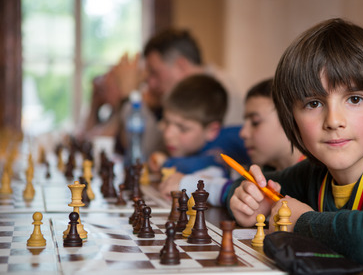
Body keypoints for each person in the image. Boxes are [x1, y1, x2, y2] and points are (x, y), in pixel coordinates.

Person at [227, 18, 363, 274]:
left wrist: (300, 222)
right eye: (313, 103)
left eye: (354, 99)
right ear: (292, 120)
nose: (333, 121)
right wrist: (250, 200)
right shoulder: (314, 173)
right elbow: (248, 185)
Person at [113, 28, 242, 165]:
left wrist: (130, 97)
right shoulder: (176, 96)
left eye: (155, 73)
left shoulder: (221, 92)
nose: (150, 83)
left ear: (181, 65)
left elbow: (148, 150)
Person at [155, 74, 249, 205]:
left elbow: (197, 165)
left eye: (183, 128)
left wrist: (165, 163)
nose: (168, 134)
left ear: (211, 131)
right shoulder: (195, 145)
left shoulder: (223, 145)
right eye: (166, 122)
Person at [239, 78, 304, 171]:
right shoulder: (257, 178)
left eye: (255, 122)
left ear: (288, 120)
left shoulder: (320, 177)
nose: (243, 133)